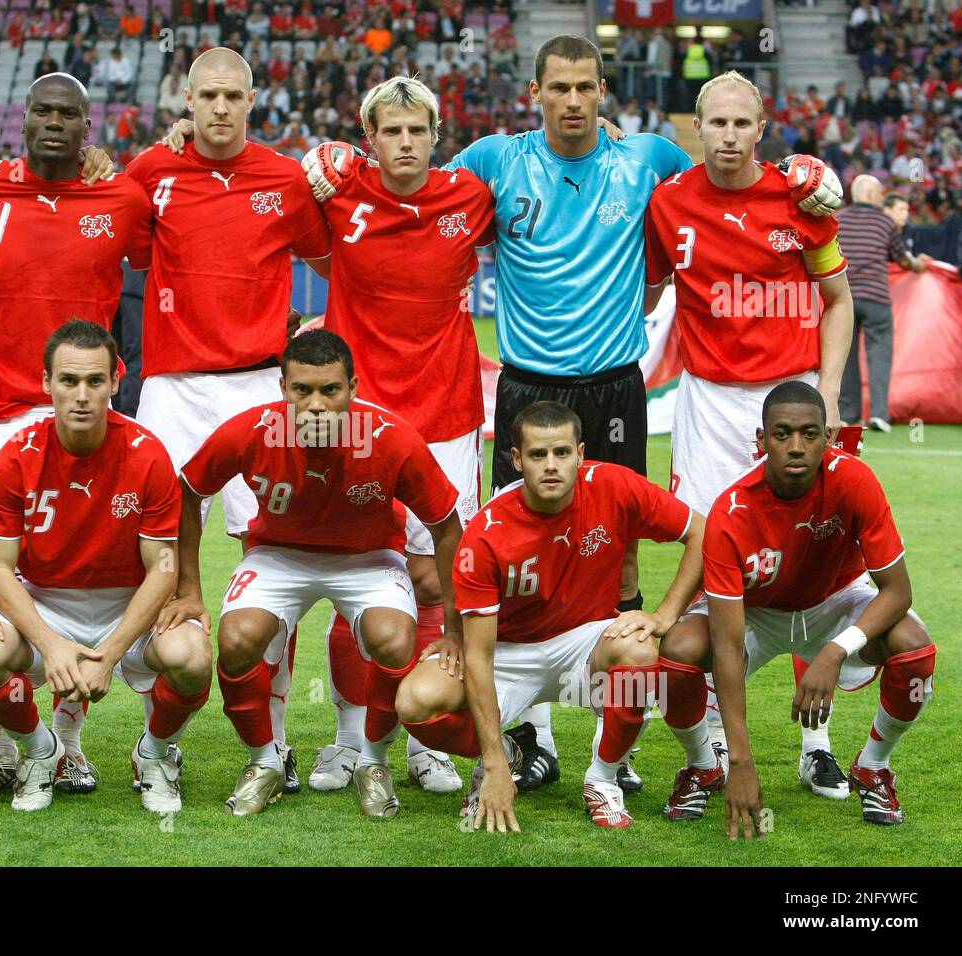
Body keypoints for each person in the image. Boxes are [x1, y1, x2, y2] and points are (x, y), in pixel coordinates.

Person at [303, 36, 843, 793]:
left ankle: (612, 755)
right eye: (558, 86)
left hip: (615, 388)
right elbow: (408, 181)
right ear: (536, 91)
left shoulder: (650, 157)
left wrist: (804, 171)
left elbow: (737, 175)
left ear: (603, 92)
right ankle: (534, 739)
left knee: (616, 563)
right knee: (519, 565)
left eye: (586, 86)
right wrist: (337, 160)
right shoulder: (493, 160)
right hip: (526, 390)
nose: (573, 100)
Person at [123, 47, 331, 792]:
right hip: (173, 383)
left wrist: (328, 325)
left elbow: (338, 255)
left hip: (254, 385)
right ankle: (151, 722)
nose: (218, 108)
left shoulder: (283, 176)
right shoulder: (153, 173)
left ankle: (272, 743)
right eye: (205, 95)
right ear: (187, 100)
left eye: (231, 96)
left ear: (252, 102)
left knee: (270, 547)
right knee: (148, 545)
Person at [645, 70, 856, 793]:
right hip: (707, 402)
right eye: (716, 123)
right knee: (711, 554)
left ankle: (816, 741)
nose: (729, 136)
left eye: (743, 123)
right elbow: (646, 289)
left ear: (761, 128)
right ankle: (703, 747)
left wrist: (827, 394)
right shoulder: (667, 205)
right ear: (693, 129)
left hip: (792, 400)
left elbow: (838, 300)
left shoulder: (801, 198)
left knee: (812, 565)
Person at [164, 329, 464, 817]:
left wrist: (454, 628)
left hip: (368, 559)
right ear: (283, 388)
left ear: (354, 387)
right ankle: (265, 761)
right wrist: (189, 590)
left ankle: (373, 762)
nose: (317, 405)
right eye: (302, 390)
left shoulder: (391, 438)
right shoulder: (250, 430)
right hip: (279, 554)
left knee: (394, 637)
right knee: (237, 638)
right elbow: (188, 491)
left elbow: (447, 527)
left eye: (331, 390)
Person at [0, 72, 154, 796]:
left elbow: (169, 243)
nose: (55, 123)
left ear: (86, 125)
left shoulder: (122, 197)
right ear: (24, 116)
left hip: (86, 411)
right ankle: (6, 742)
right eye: (43, 110)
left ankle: (65, 739)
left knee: (71, 570)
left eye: (70, 113)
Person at [302, 77, 495, 795]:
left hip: (446, 418)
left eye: (418, 130)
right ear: (370, 138)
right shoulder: (341, 193)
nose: (405, 143)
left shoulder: (469, 198)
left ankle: (427, 739)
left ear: (435, 136)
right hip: (358, 424)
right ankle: (350, 739)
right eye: (392, 131)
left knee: (436, 579)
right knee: (358, 576)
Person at [396, 401, 708, 830]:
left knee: (638, 652)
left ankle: (603, 779)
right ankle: (505, 753)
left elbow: (701, 532)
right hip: (508, 650)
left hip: (585, 640)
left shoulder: (616, 486)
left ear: (580, 453)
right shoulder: (487, 533)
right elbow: (481, 657)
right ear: (517, 459)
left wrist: (665, 615)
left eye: (562, 453)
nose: (551, 466)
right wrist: (493, 766)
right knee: (415, 701)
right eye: (538, 455)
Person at [658, 382, 936, 835]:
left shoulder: (855, 479)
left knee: (914, 645)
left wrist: (834, 651)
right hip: (757, 614)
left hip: (837, 601)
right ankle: (704, 765)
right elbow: (728, 645)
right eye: (782, 433)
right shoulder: (731, 512)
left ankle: (873, 767)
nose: (796, 446)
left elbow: (897, 592)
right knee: (677, 649)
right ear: (760, 440)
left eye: (809, 434)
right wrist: (742, 762)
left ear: (828, 438)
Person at [0, 320, 211, 813]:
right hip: (46, 601)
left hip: (129, 604)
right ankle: (39, 751)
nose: (82, 395)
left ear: (115, 383)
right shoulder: (16, 456)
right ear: (46, 383)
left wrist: (111, 653)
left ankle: (154, 754)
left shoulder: (148, 454)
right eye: (69, 381)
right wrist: (50, 645)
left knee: (193, 656)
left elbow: (163, 568)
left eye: (95, 382)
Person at [836, 179, 930, 433]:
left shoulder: (838, 220)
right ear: (872, 194)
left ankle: (847, 415)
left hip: (844, 299)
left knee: (845, 357)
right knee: (880, 357)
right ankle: (878, 415)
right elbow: (901, 257)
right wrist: (919, 264)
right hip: (876, 297)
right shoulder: (885, 222)